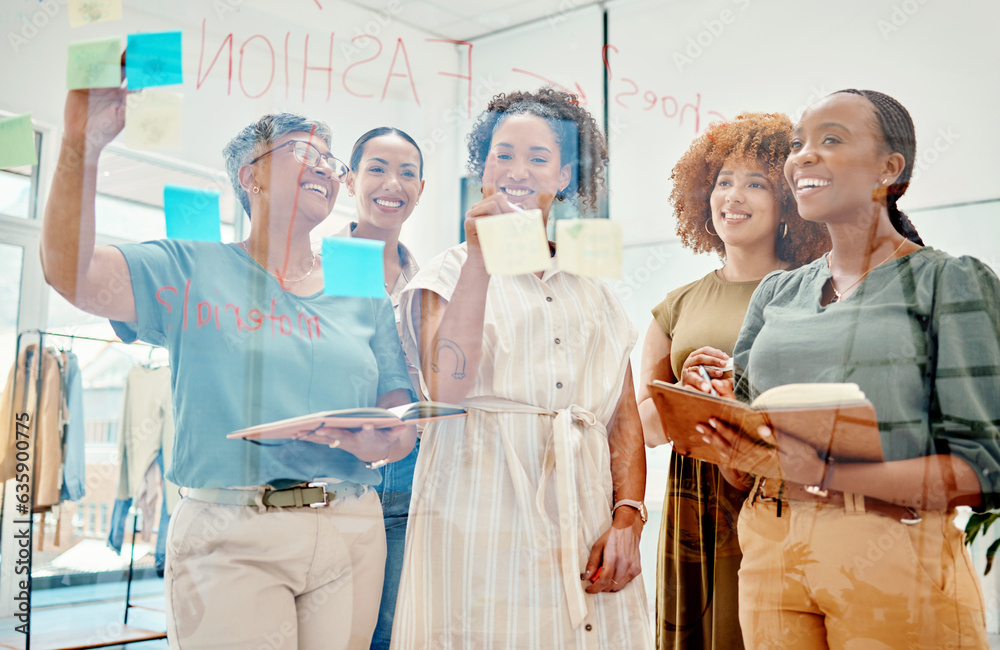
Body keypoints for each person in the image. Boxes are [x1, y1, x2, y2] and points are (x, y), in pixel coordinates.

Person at [41, 81, 417, 649]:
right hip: (232, 530)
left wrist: (384, 442)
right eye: (304, 153)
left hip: (351, 528)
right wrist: (80, 147)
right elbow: (74, 275)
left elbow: (399, 408)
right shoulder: (188, 267)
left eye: (330, 161)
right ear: (251, 175)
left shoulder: (358, 283)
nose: (325, 169)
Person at [694, 90, 1000, 648]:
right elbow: (744, 464)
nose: (803, 157)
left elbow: (984, 469)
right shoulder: (776, 292)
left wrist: (829, 474)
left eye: (831, 140)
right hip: (769, 544)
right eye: (798, 145)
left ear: (889, 168)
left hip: (892, 547)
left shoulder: (948, 283)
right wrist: (721, 422)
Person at [392, 87, 654, 648]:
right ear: (482, 168)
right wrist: (481, 262)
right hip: (478, 518)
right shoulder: (446, 274)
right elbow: (445, 389)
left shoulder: (596, 290)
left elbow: (622, 419)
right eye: (502, 154)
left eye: (538, 158)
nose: (517, 171)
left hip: (585, 517)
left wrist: (629, 518)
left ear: (564, 175)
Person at [636, 113, 830, 650]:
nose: (733, 196)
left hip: (781, 490)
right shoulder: (676, 306)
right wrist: (690, 397)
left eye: (755, 183)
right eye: (723, 181)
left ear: (788, 199)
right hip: (693, 498)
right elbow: (644, 428)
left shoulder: (820, 291)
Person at [339, 126, 425, 650]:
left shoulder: (431, 282)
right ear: (350, 180)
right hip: (338, 477)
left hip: (414, 483)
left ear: (421, 187)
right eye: (376, 168)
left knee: (390, 634)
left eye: (407, 172)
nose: (392, 183)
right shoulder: (314, 266)